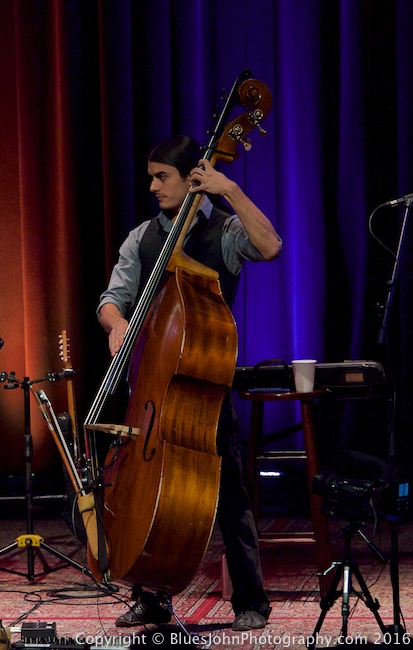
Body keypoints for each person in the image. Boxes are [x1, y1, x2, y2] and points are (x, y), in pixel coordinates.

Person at [97, 136, 282, 632]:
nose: (152, 185)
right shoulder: (141, 237)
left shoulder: (223, 231)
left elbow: (270, 246)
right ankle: (151, 594)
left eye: (163, 176)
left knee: (230, 496)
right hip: (154, 385)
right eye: (151, 175)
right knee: (143, 490)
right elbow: (112, 298)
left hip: (204, 388)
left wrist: (230, 189)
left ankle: (252, 600)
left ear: (191, 178)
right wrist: (116, 324)